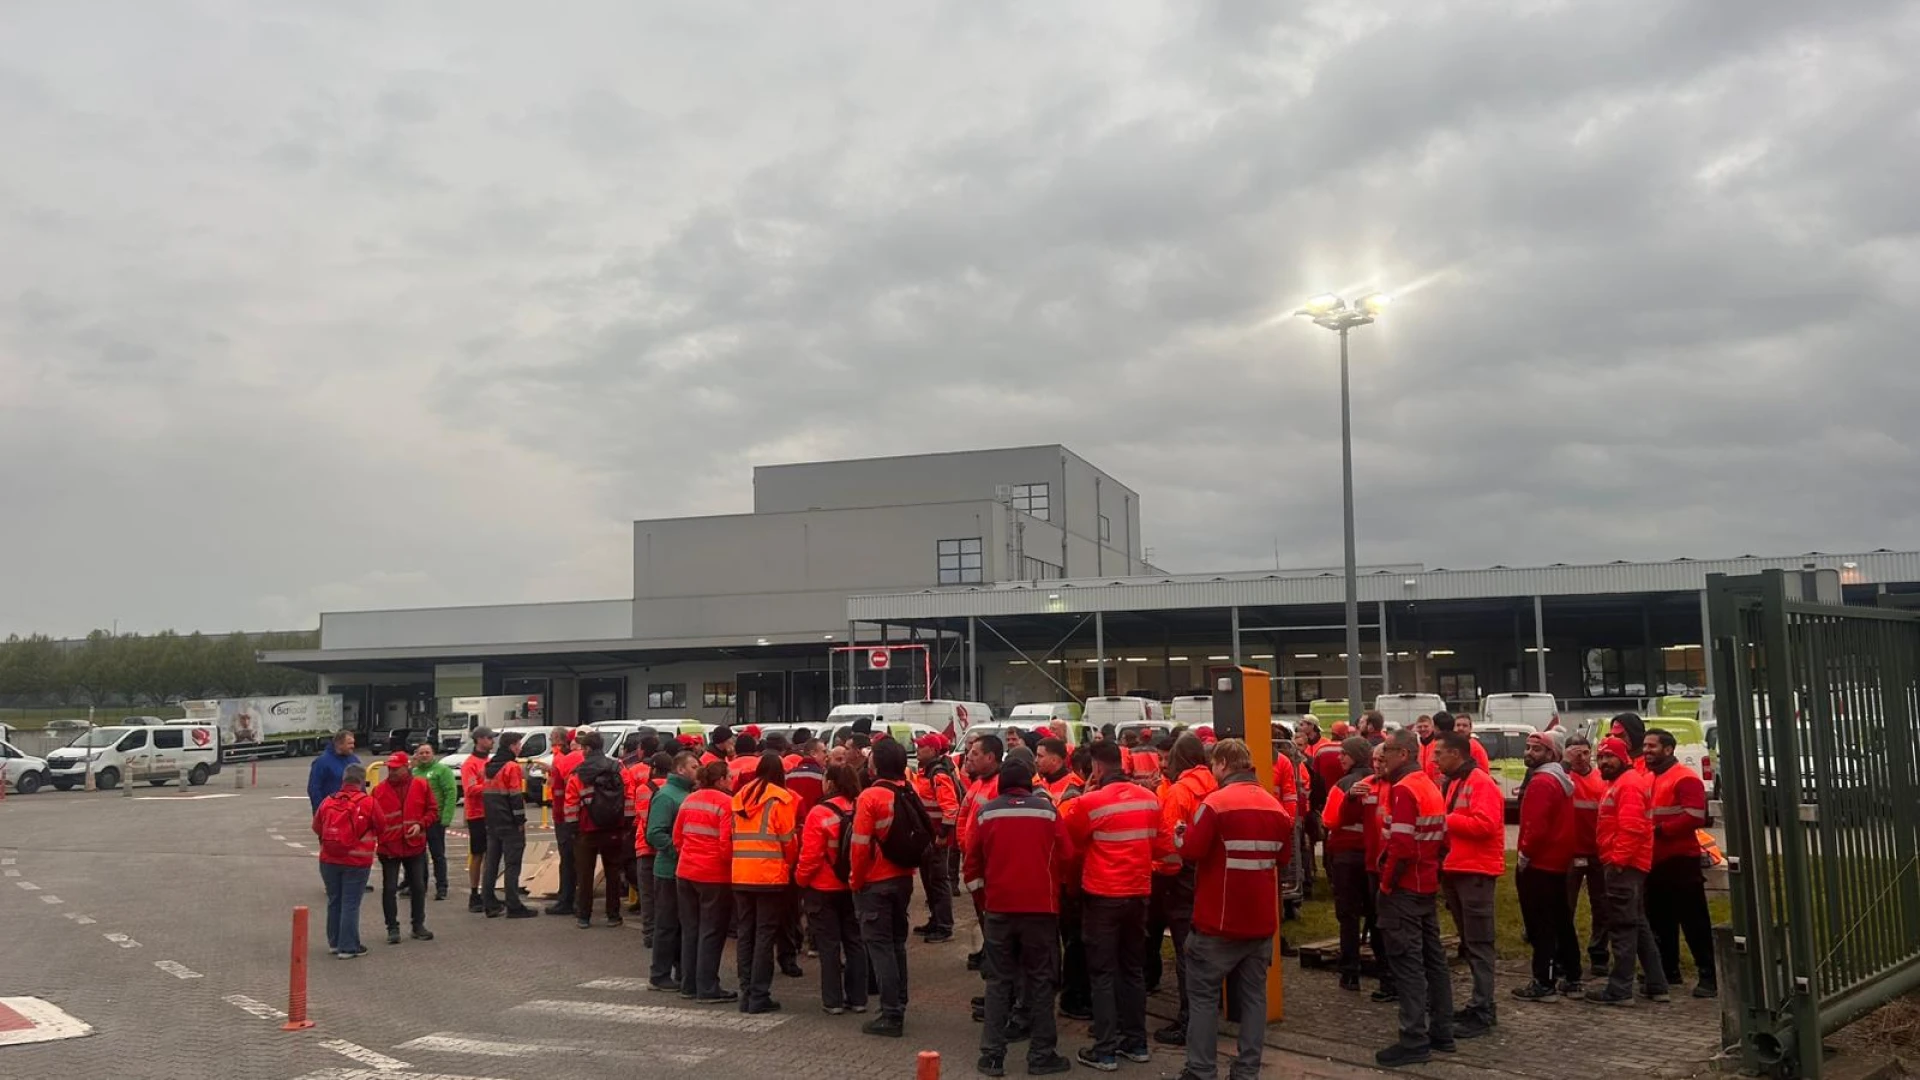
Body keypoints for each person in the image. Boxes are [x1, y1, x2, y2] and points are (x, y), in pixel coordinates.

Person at [1174, 737, 1291, 1080]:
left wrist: (1180, 835)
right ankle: (1247, 1071)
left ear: (1223, 764)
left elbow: (1192, 850)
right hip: (1260, 924)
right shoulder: (1276, 807)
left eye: (1213, 766)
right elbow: (1282, 860)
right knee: (1254, 999)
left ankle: (1201, 1069)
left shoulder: (1215, 804)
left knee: (1204, 998)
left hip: (1217, 923)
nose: (1212, 772)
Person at [1063, 740, 1173, 1071]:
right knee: (1132, 969)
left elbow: (1071, 848)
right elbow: (1165, 850)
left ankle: (1106, 1049)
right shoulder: (1150, 799)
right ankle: (1136, 1042)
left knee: (1102, 972)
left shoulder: (1089, 803)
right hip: (1138, 894)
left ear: (1096, 767)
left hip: (1101, 897)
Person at [967, 758, 1075, 1078]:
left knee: (999, 982)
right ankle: (1041, 1055)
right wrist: (1058, 889)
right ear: (1029, 783)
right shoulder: (1048, 812)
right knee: (1041, 981)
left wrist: (983, 901)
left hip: (999, 910)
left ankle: (992, 1057)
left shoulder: (986, 813)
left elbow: (971, 864)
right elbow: (1068, 856)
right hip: (1041, 911)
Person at [1373, 730, 1454, 1067]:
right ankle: (1442, 1032)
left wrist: (1387, 885)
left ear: (1402, 754)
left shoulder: (1404, 790)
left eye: (1386, 752)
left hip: (1404, 890)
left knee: (1407, 964)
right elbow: (1444, 840)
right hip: (1426, 885)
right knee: (1434, 960)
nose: (1381, 760)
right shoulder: (1429, 786)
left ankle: (1414, 1039)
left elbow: (1402, 846)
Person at [1585, 737, 1670, 1006]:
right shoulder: (1620, 782)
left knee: (1622, 926)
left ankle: (1620, 988)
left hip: (1624, 865)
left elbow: (1632, 829)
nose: (1603, 763)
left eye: (1609, 757)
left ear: (1624, 758)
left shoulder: (1628, 784)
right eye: (1600, 758)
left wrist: (1617, 862)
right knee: (1638, 924)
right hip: (1627, 864)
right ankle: (1657, 985)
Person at [850, 736, 920, 1038]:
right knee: (895, 944)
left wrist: (855, 879)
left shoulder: (870, 797)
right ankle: (899, 1001)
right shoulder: (907, 790)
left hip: (876, 881)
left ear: (876, 764)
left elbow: (859, 846)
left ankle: (891, 1014)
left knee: (879, 948)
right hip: (903, 877)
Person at [1436, 731, 1504, 1037]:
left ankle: (1484, 1008)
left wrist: (1446, 818)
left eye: (1440, 753)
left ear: (1456, 754)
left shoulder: (1479, 782)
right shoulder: (1458, 782)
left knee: (1479, 944)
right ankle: (1479, 1003)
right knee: (1472, 943)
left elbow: (1485, 825)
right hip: (1460, 868)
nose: (1435, 759)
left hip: (1476, 872)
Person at [1148, 733, 1214, 1045]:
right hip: (1206, 873)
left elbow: (1169, 845)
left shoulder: (1179, 792)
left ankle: (1189, 1020)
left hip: (1180, 878)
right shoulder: (1213, 785)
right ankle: (1205, 1012)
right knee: (1203, 949)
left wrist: (1161, 874)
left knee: (1185, 951)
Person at [1644, 727, 1716, 998]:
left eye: (1652, 746)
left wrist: (1660, 831)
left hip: (1680, 860)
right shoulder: (1650, 778)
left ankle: (1708, 975)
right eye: (1645, 746)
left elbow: (1695, 816)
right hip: (1655, 860)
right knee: (1661, 920)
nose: (1647, 750)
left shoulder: (1684, 778)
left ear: (1669, 749)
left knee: (1693, 921)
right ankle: (1668, 970)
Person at [731, 751, 800, 1014]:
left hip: (741, 874)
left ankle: (746, 991)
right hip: (769, 876)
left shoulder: (740, 797)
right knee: (764, 936)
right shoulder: (781, 799)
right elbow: (788, 841)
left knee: (745, 934)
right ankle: (759, 995)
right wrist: (789, 864)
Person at [1513, 731, 1579, 1001]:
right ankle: (1572, 977)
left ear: (1552, 754)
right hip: (1557, 861)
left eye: (1536, 749)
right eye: (1528, 747)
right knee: (1562, 920)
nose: (1529, 753)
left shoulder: (1542, 782)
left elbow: (1535, 827)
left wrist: (1525, 856)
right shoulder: (1561, 780)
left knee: (1542, 925)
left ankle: (1544, 981)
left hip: (1539, 863)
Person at [798, 762, 868, 1015]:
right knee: (855, 942)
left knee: (829, 946)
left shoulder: (819, 813)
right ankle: (858, 998)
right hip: (853, 885)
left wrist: (800, 881)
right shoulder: (861, 807)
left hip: (823, 887)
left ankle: (833, 1001)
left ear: (830, 782)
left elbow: (810, 856)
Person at [675, 760, 737, 1004]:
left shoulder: (689, 799)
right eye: (729, 777)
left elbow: (677, 837)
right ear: (720, 779)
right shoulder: (727, 804)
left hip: (686, 872)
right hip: (713, 876)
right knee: (712, 932)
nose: (732, 781)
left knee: (691, 930)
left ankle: (688, 984)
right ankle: (708, 987)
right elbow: (726, 847)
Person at [1321, 736, 1377, 992]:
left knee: (1348, 917)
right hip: (1373, 857)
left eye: (1344, 753)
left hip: (1346, 857)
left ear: (1356, 755)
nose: (1339, 757)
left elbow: (1330, 820)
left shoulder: (1343, 785)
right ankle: (1386, 972)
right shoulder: (1381, 782)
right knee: (1376, 915)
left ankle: (1350, 973)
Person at [562, 729, 629, 929]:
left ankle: (584, 916)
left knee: (585, 874)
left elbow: (571, 804)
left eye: (583, 747)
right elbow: (629, 794)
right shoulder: (618, 767)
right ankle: (613, 915)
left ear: (588, 748)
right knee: (613, 873)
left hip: (587, 830)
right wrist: (625, 823)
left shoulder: (578, 774)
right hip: (614, 828)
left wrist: (573, 828)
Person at [312, 763, 380, 958]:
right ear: (362, 780)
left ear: (344, 779)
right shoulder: (368, 802)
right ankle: (348, 946)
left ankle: (334, 943)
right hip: (357, 861)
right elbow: (381, 825)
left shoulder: (328, 801)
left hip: (329, 859)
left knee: (334, 901)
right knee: (351, 903)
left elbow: (316, 826)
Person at [370, 751, 438, 946]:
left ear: (406, 767)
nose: (391, 772)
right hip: (389, 847)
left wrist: (421, 825)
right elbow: (372, 818)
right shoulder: (379, 791)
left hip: (414, 845)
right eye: (389, 768)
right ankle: (392, 928)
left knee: (418, 886)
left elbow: (432, 810)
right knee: (389, 888)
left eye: (395, 768)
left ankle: (418, 925)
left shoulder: (421, 786)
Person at [646, 750, 698, 993]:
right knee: (667, 924)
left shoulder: (685, 794)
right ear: (680, 770)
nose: (698, 771)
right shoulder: (667, 796)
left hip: (682, 870)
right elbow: (655, 832)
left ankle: (679, 970)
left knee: (680, 924)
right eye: (694, 767)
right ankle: (660, 974)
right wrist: (678, 851)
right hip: (668, 871)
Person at [1563, 735, 1611, 978]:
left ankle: (1599, 955)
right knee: (1565, 906)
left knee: (1602, 906)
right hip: (1570, 853)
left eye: (1584, 753)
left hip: (1598, 852)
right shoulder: (1563, 778)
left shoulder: (1601, 780)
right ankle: (1565, 956)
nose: (1580, 758)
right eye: (1574, 753)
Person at [1355, 742, 1397, 1002]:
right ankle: (1387, 978)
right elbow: (1340, 818)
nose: (1377, 765)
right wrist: (1350, 798)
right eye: (1374, 760)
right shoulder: (1367, 785)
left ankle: (1398, 979)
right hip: (1372, 865)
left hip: (1395, 867)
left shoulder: (1401, 786)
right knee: (1377, 924)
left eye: (1382, 760)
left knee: (1395, 927)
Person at [480, 732, 538, 919]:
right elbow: (515, 797)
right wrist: (520, 821)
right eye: (519, 744)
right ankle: (514, 905)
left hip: (492, 821)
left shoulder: (489, 766)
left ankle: (489, 902)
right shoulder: (511, 767)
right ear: (512, 746)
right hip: (509, 823)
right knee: (512, 864)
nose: (520, 748)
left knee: (491, 863)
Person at [911, 733, 962, 944]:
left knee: (939, 882)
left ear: (932, 751)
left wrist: (942, 835)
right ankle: (936, 920)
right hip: (929, 838)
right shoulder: (929, 772)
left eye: (921, 748)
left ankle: (944, 926)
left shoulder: (938, 774)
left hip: (937, 839)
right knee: (930, 881)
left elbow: (951, 808)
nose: (917, 751)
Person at [631, 750, 671, 944]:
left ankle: (649, 934)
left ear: (653, 769)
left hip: (645, 847)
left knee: (647, 895)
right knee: (666, 896)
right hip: (667, 849)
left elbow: (639, 817)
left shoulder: (642, 790)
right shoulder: (674, 791)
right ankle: (666, 933)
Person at [543, 727, 584, 917]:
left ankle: (566, 900)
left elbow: (557, 788)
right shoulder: (583, 759)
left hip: (565, 816)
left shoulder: (562, 759)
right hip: (581, 816)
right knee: (577, 859)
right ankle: (575, 899)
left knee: (568, 859)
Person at [410, 742, 457, 901]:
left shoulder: (442, 771)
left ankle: (441, 887)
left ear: (433, 754)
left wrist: (446, 817)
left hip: (436, 820)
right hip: (418, 821)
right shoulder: (414, 772)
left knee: (438, 855)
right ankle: (419, 886)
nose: (424, 755)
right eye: (421, 753)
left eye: (427, 752)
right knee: (419, 855)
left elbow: (451, 793)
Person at [460, 728, 496, 912]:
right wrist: (491, 785)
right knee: (477, 854)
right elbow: (470, 789)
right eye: (489, 738)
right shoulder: (470, 764)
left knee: (492, 855)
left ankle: (488, 891)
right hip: (477, 814)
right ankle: (474, 894)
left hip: (491, 813)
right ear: (479, 740)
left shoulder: (490, 761)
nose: (492, 742)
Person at [307, 730, 360, 810]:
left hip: (351, 812)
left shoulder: (354, 760)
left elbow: (360, 785)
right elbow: (314, 789)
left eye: (353, 743)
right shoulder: (321, 762)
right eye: (349, 743)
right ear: (339, 744)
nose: (353, 746)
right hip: (331, 813)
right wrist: (321, 811)